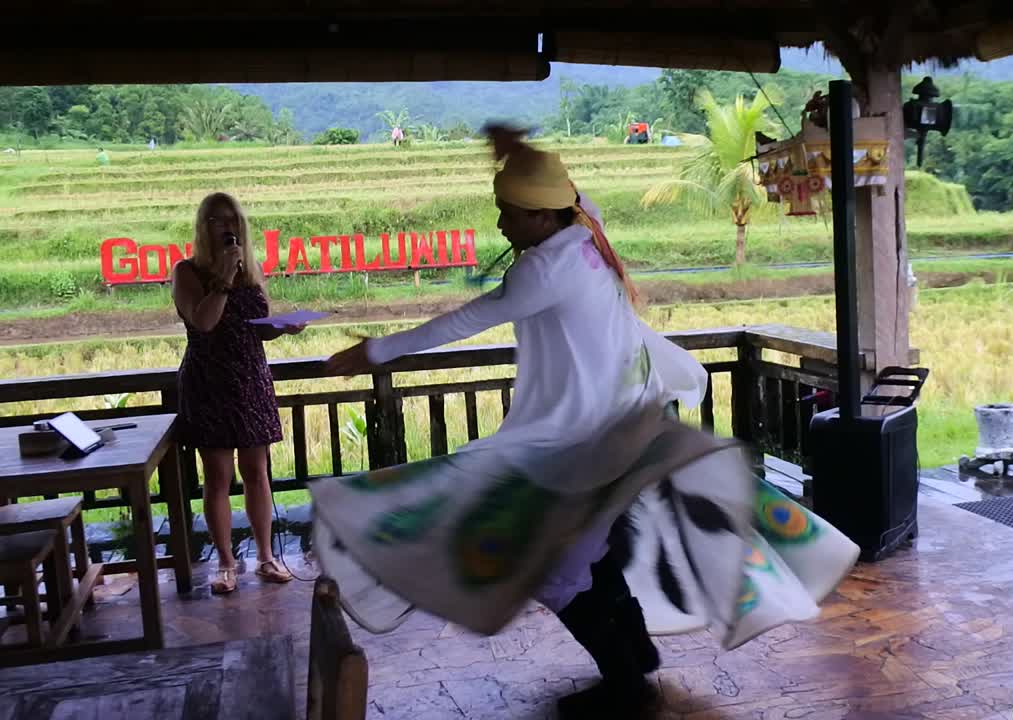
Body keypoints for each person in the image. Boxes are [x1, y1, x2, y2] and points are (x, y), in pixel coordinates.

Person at [318, 125, 859, 717]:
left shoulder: (544, 269)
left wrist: (374, 352)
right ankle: (634, 658)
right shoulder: (584, 228)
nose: (500, 225)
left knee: (559, 572)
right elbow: (574, 192)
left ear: (538, 216)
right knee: (589, 556)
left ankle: (626, 680)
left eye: (507, 213)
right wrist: (521, 154)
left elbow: (462, 321)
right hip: (622, 427)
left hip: (584, 444)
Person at [171, 192, 308, 594]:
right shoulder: (187, 272)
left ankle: (266, 557)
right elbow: (205, 323)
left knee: (256, 471)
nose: (228, 226)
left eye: (233, 219)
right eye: (217, 219)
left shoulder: (249, 269)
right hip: (209, 383)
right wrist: (225, 279)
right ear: (203, 226)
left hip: (250, 379)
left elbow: (257, 325)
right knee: (217, 476)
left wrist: (282, 325)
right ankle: (227, 563)